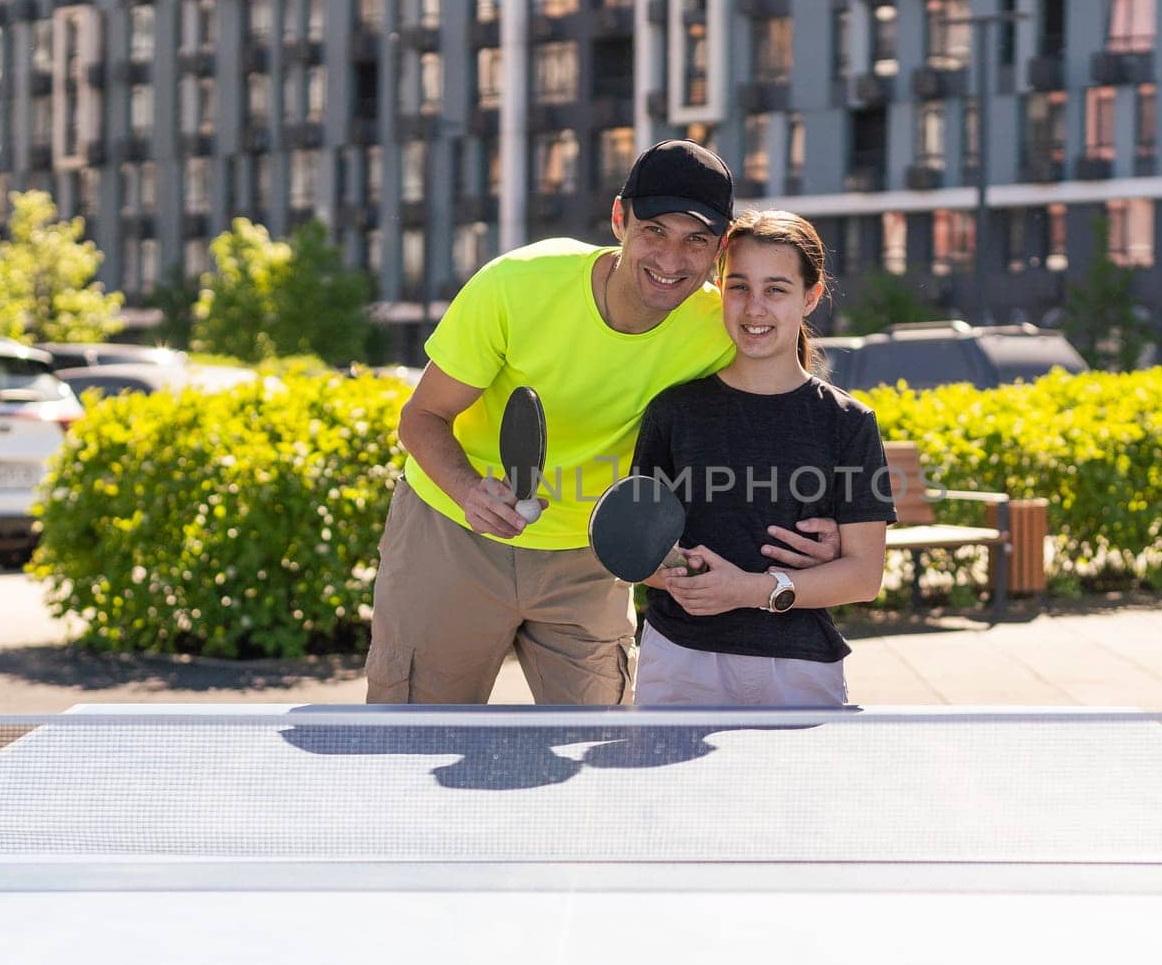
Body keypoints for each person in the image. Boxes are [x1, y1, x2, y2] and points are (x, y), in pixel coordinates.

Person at [365, 141, 841, 706]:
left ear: (719, 248)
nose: (671, 258)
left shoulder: (719, 326)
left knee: (598, 758)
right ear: (619, 219)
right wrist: (469, 490)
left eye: (696, 240)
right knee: (412, 742)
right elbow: (421, 417)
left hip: (593, 558)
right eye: (654, 231)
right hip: (451, 534)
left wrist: (823, 524)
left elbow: (781, 409)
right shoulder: (516, 285)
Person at [629, 210, 897, 706]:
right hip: (681, 662)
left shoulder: (848, 423)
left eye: (775, 289)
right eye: (738, 287)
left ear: (810, 297)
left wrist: (750, 588)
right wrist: (672, 571)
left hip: (797, 668)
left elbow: (864, 576)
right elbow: (636, 555)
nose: (754, 308)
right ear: (719, 289)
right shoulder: (673, 411)